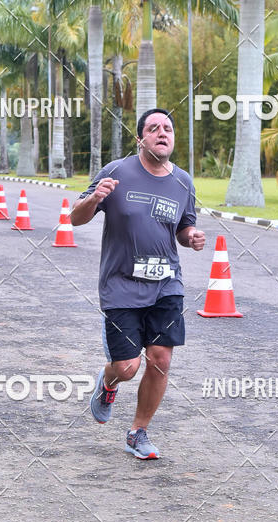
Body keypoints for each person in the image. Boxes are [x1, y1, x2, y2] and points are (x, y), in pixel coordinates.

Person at [71, 108, 205, 460]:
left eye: (169, 128)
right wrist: (95, 197)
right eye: (154, 128)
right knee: (127, 367)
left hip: (166, 284)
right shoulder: (116, 172)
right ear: (140, 138)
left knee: (160, 360)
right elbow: (75, 218)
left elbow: (182, 227)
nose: (163, 133)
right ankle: (108, 382)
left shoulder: (183, 182)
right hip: (121, 286)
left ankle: (137, 433)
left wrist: (191, 237)